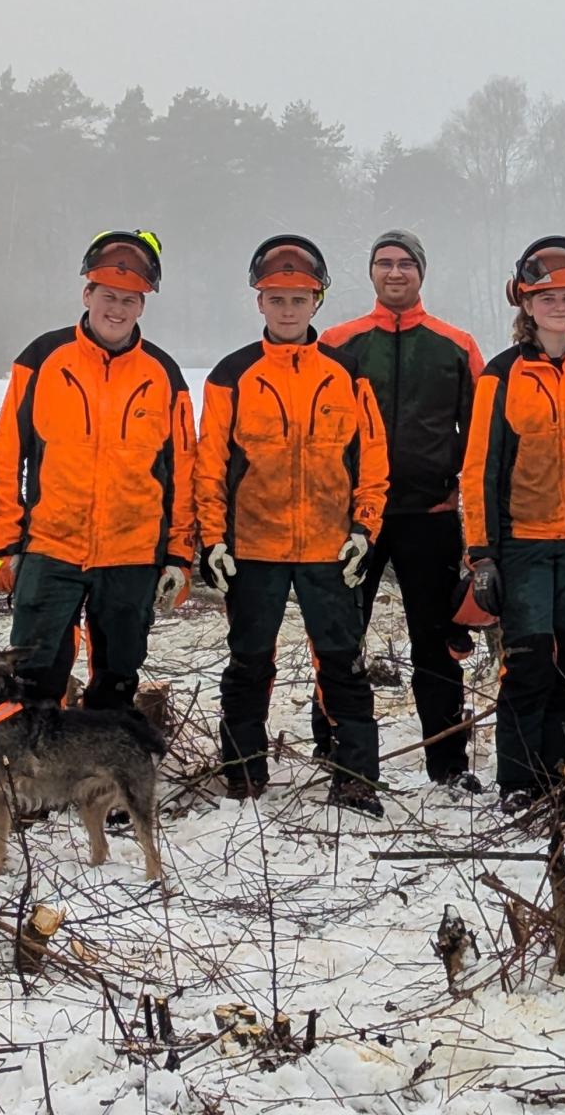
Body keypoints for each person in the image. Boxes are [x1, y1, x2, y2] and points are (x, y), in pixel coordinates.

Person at [196, 236, 390, 814]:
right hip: (253, 548)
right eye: (276, 298)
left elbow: (372, 463)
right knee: (250, 658)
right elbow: (210, 467)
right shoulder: (232, 374)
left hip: (330, 548)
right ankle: (242, 769)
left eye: (298, 299)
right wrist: (213, 540)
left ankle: (355, 777)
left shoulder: (346, 373)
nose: (287, 309)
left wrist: (364, 529)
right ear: (259, 302)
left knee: (342, 660)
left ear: (316, 302)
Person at [0, 230, 196, 711]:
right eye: (107, 296)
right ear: (87, 295)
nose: (116, 309)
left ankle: (103, 779)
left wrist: (180, 557)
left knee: (117, 679)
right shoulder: (43, 359)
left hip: (132, 555)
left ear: (142, 306)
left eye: (128, 299)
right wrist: (4, 544)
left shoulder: (163, 374)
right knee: (35, 676)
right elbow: (4, 457)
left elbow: (184, 475)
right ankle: (41, 779)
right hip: (51, 550)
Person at [320, 230, 487, 793]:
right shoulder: (340, 343)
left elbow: (481, 433)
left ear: (422, 272)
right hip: (355, 520)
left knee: (435, 641)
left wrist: (458, 489)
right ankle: (333, 747)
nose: (395, 273)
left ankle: (447, 760)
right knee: (342, 635)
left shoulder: (454, 344)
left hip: (430, 512)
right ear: (370, 273)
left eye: (406, 263)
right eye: (384, 263)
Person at [461, 237, 565, 809]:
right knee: (528, 664)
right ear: (526, 305)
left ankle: (562, 771)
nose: (559, 305)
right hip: (525, 541)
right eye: (546, 297)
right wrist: (481, 553)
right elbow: (479, 467)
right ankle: (518, 781)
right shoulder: (501, 376)